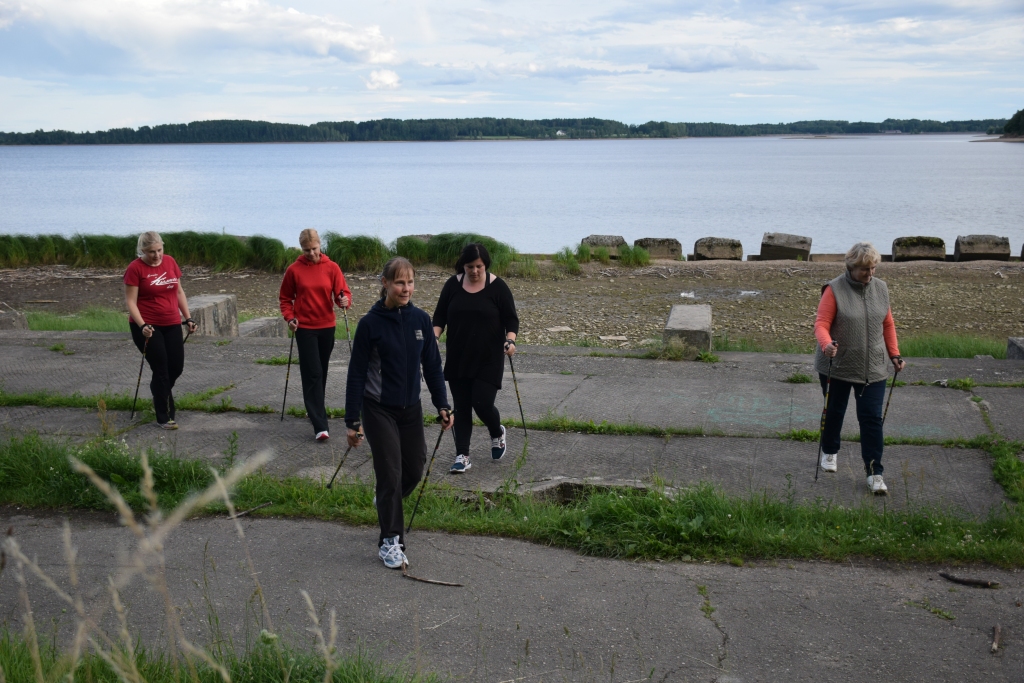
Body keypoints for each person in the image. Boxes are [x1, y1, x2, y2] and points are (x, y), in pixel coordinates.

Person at [344, 256, 453, 570]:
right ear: (385, 284)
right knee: (389, 474)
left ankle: (386, 501)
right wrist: (353, 420)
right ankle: (390, 541)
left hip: (411, 409)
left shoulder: (420, 320)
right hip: (378, 409)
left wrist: (442, 404)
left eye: (410, 282)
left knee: (413, 471)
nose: (406, 288)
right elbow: (356, 374)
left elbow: (432, 365)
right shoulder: (370, 324)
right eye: (399, 282)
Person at [814, 242, 906, 494]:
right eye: (865, 269)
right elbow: (821, 324)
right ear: (851, 267)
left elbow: (888, 324)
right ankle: (830, 451)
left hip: (873, 368)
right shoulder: (834, 290)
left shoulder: (881, 289)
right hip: (838, 364)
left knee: (872, 420)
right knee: (834, 411)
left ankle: (875, 472)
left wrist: (894, 354)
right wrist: (826, 345)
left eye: (874, 267)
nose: (871, 273)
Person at [432, 243, 520, 474]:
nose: (474, 271)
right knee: (461, 407)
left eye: (479, 266)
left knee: (481, 402)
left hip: (489, 357)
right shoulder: (452, 285)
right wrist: (434, 337)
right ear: (463, 265)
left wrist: (510, 341)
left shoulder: (498, 287)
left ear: (486, 265)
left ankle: (497, 432)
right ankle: (463, 455)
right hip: (459, 356)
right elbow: (440, 316)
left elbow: (511, 320)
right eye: (470, 266)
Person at [279, 228, 352, 441]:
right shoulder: (294, 270)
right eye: (306, 250)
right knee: (312, 373)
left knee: (321, 371)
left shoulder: (332, 267)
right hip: (304, 328)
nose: (311, 253)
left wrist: (344, 300)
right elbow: (285, 299)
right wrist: (290, 317)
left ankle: (314, 409)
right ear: (301, 248)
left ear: (320, 245)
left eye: (314, 248)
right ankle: (320, 425)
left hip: (327, 326)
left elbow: (342, 294)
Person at [124, 231, 198, 429]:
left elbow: (179, 291)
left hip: (172, 322)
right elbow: (131, 302)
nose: (156, 255)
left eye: (159, 250)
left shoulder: (170, 262)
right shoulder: (135, 269)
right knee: (162, 369)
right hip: (147, 326)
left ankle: (158, 391)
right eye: (151, 252)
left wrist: (188, 317)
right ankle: (164, 416)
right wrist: (143, 326)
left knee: (176, 367)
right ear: (142, 251)